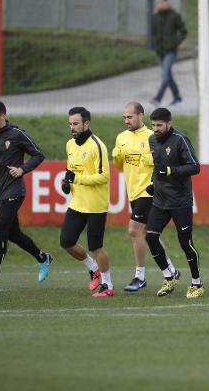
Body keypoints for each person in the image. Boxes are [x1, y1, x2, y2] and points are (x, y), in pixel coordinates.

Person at [0, 101, 52, 291]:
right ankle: (43, 257)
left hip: (15, 191)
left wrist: (22, 169)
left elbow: (38, 155)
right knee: (12, 233)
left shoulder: (17, 134)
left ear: (3, 115)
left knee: (0, 229)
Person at [112, 102, 176, 292]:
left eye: (130, 117)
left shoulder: (152, 137)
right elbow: (118, 166)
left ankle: (140, 276)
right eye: (124, 117)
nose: (127, 121)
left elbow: (162, 163)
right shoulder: (121, 138)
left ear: (141, 116)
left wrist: (148, 159)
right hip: (133, 191)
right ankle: (171, 269)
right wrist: (117, 156)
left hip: (149, 191)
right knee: (150, 234)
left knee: (134, 230)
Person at [145, 107, 204, 298]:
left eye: (159, 125)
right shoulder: (152, 140)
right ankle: (169, 278)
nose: (155, 129)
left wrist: (171, 171)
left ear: (169, 123)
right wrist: (153, 183)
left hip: (180, 201)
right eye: (153, 125)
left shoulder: (180, 139)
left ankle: (197, 283)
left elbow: (195, 167)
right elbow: (157, 166)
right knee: (151, 237)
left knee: (185, 243)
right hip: (160, 200)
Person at [60, 107, 115, 297]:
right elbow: (71, 171)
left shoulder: (97, 145)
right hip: (77, 203)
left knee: (96, 246)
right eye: (70, 124)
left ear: (86, 124)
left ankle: (108, 285)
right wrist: (67, 183)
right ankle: (93, 268)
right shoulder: (70, 145)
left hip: (95, 205)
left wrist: (77, 180)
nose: (72, 127)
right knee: (66, 241)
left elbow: (104, 176)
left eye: (75, 124)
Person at [150, 0, 187, 107]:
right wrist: (155, 45)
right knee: (168, 76)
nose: (159, 5)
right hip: (160, 52)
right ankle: (177, 97)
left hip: (170, 51)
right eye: (157, 3)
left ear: (166, 2)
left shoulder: (174, 16)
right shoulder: (155, 17)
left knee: (165, 77)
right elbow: (153, 33)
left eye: (161, 2)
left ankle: (157, 98)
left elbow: (183, 31)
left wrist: (174, 43)